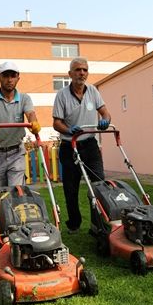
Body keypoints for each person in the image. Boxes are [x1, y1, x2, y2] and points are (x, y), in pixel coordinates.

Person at [53, 57, 111, 234]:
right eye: (78, 70)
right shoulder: (62, 95)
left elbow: (105, 113)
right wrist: (69, 129)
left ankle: (97, 224)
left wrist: (105, 121)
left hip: (90, 145)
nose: (81, 73)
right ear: (70, 74)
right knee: (71, 189)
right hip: (69, 146)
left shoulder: (93, 91)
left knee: (99, 184)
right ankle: (74, 224)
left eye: (85, 70)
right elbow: (56, 123)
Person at [0, 61, 41, 187]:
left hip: (16, 152)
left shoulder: (24, 99)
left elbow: (30, 114)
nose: (9, 80)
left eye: (13, 76)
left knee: (16, 192)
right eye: (5, 76)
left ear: (18, 78)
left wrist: (33, 122)